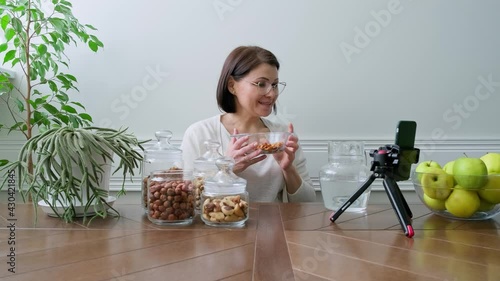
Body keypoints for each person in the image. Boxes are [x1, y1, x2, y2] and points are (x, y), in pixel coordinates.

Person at [180, 45, 316, 202]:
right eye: (261, 84)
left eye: (275, 84)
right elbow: (186, 201)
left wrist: (288, 169)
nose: (271, 93)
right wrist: (228, 168)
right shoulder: (200, 133)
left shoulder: (282, 135)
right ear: (232, 86)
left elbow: (307, 203)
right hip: (218, 226)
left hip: (275, 226)